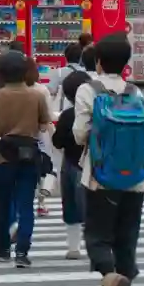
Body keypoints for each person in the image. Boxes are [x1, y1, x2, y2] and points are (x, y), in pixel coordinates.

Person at [73, 33, 144, 286]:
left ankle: (109, 276)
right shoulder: (135, 92)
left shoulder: (88, 89)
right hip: (136, 177)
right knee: (127, 236)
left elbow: (80, 134)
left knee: (97, 234)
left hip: (99, 176)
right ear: (126, 64)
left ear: (98, 62)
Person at [0, 50, 50, 268]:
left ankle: (3, 247)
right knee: (26, 205)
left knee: (2, 204)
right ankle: (22, 251)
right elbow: (43, 125)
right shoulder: (37, 95)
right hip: (29, 154)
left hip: (4, 154)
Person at [51, 66, 91, 258]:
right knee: (91, 207)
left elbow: (57, 142)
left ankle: (74, 247)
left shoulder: (68, 115)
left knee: (71, 207)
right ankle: (96, 244)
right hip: (93, 164)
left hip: (71, 163)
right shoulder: (97, 111)